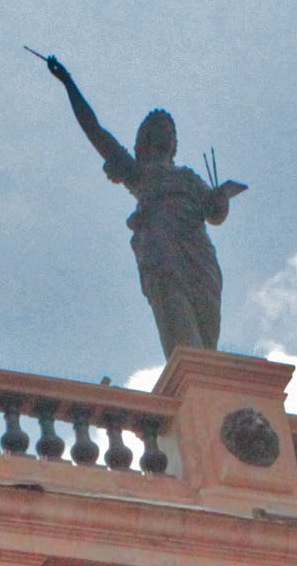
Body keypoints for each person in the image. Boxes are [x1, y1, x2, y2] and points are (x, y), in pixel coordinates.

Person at [39, 54, 245, 355]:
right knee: (181, 331)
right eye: (160, 127)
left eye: (171, 130)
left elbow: (214, 216)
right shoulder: (138, 171)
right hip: (163, 248)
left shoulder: (188, 177)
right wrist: (69, 83)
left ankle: (209, 382)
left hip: (199, 252)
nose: (167, 133)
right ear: (146, 137)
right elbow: (95, 131)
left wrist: (221, 199)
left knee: (208, 334)